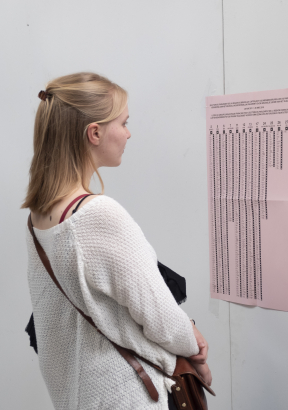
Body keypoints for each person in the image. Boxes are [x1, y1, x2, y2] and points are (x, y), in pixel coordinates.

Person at [22, 72, 211, 409]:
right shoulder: (99, 215)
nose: (128, 133)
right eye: (123, 122)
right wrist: (192, 342)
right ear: (94, 133)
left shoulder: (38, 218)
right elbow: (162, 318)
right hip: (125, 397)